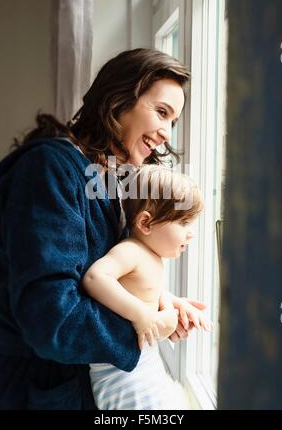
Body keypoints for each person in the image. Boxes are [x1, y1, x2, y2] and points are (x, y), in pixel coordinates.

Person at [0, 48, 206, 409]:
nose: (167, 133)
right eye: (162, 112)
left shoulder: (107, 179)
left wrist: (155, 300)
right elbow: (51, 320)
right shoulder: (49, 170)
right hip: (28, 391)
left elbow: (103, 278)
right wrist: (146, 325)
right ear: (118, 98)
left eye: (174, 121)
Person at [82, 164, 211, 410]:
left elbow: (140, 289)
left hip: (143, 365)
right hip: (122, 376)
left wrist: (175, 302)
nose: (191, 233)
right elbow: (95, 278)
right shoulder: (131, 251)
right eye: (183, 222)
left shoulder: (149, 255)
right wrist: (142, 315)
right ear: (146, 223)